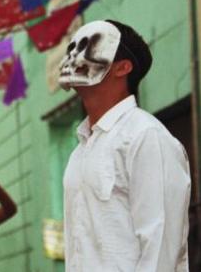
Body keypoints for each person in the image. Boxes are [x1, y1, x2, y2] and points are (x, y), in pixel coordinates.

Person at [59, 19, 191, 271]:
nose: (75, 57)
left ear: (123, 67)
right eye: (72, 48)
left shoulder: (145, 136)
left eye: (89, 47)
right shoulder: (80, 152)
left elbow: (160, 247)